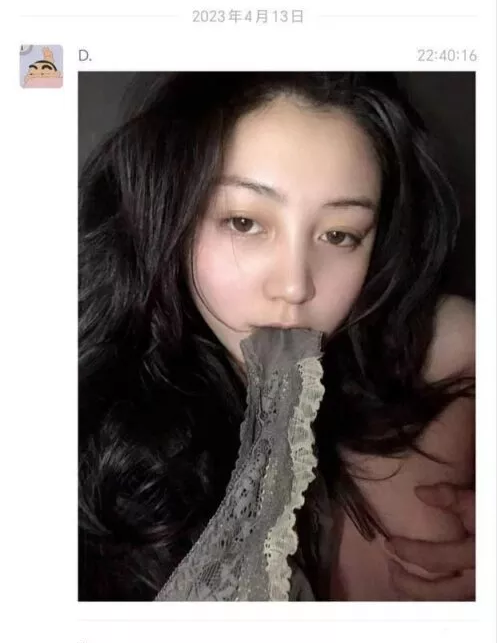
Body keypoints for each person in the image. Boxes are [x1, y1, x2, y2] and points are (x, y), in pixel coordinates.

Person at [79, 72, 475, 601]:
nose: (294, 286)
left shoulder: (432, 357)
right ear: (168, 216)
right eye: (245, 222)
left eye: (339, 235)